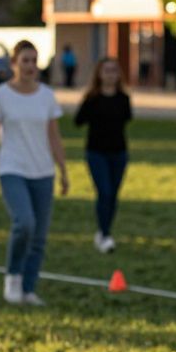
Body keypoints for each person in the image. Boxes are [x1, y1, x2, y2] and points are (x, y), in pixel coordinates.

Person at [0, 40, 69, 305]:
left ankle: (29, 289)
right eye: (25, 60)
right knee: (24, 223)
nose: (30, 66)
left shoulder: (47, 96)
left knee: (39, 236)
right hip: (12, 169)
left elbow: (54, 137)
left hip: (43, 171)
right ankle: (13, 277)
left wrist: (63, 170)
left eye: (34, 60)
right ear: (13, 64)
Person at [75, 57, 133, 253]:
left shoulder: (123, 99)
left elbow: (126, 120)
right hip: (96, 152)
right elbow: (78, 121)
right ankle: (105, 234)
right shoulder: (92, 99)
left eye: (114, 71)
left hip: (118, 152)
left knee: (114, 195)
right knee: (104, 192)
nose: (110, 75)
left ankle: (104, 231)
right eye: (106, 71)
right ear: (99, 74)